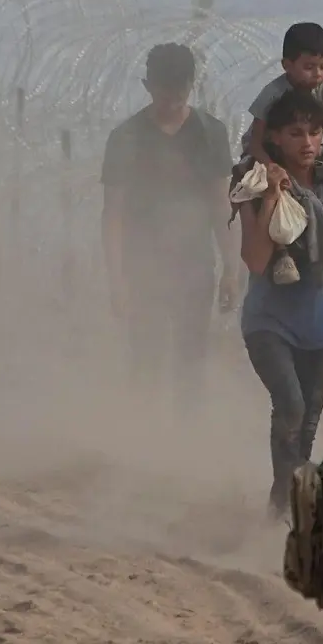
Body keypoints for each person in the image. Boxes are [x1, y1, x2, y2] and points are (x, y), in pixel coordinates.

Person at [237, 88, 323, 519]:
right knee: (291, 406)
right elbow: (256, 260)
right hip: (268, 322)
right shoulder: (254, 183)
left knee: (308, 427)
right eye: (296, 133)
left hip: (317, 325)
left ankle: (284, 503)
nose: (308, 143)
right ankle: (284, 505)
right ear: (274, 138)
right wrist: (274, 200)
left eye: (315, 133)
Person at [100, 42, 240, 414]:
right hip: (141, 264)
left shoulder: (210, 133)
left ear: (191, 85)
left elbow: (220, 202)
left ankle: (185, 442)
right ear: (148, 86)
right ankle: (142, 437)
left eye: (180, 94)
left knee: (190, 360)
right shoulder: (126, 138)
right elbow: (112, 214)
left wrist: (231, 267)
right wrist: (116, 279)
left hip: (194, 264)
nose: (172, 103)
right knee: (145, 358)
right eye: (165, 94)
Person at [242, 22, 323, 272]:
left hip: (308, 149)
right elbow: (255, 142)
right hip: (266, 151)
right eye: (309, 67)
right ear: (286, 65)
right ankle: (282, 254)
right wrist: (271, 168)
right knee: (264, 187)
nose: (317, 74)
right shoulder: (273, 94)